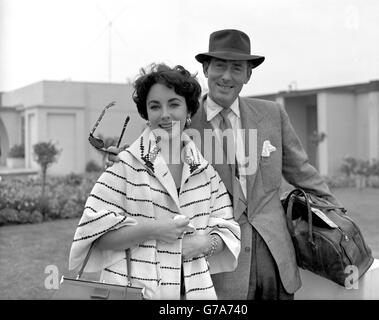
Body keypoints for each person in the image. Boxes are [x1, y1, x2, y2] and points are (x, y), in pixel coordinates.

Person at [108, 29, 341, 300]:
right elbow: (148, 162)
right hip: (214, 267)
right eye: (219, 66)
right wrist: (124, 159)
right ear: (206, 69)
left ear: (248, 75)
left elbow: (303, 173)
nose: (227, 76)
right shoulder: (180, 119)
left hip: (276, 261)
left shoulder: (272, 114)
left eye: (237, 68)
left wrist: (338, 218)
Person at [69, 63, 241, 300]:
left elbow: (228, 230)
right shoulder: (124, 166)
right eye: (155, 106)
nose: (165, 114)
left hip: (194, 293)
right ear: (146, 114)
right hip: (135, 292)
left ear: (189, 111)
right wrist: (155, 229)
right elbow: (95, 236)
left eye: (174, 104)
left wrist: (203, 245)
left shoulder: (205, 172)